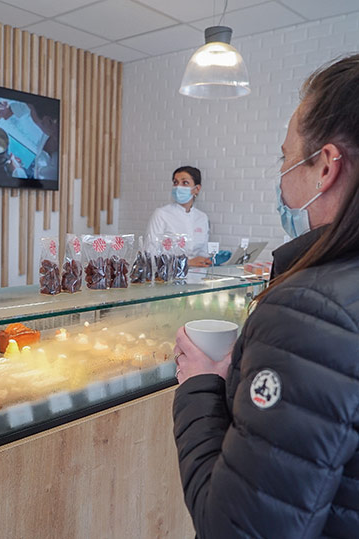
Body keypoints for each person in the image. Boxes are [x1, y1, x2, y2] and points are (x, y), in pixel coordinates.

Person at [171, 55, 359, 538]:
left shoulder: (310, 309)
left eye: (285, 157)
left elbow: (237, 528)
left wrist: (200, 385)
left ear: (326, 168)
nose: (281, 176)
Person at [146, 166, 211, 267]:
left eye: (185, 183)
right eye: (175, 182)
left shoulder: (202, 218)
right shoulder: (162, 214)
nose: (178, 187)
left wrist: (212, 259)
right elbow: (150, 255)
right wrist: (187, 262)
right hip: (168, 277)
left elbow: (203, 252)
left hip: (198, 276)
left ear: (197, 189)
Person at [0, 100, 59, 180]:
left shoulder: (55, 171)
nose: (30, 113)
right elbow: (35, 103)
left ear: (48, 121)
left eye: (31, 111)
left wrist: (17, 170)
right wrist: (11, 109)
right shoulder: (54, 126)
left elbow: (38, 189)